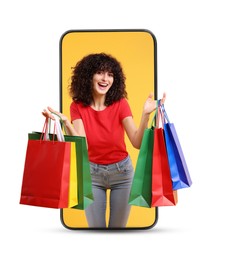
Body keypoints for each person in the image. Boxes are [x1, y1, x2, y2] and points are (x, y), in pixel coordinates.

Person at [43, 53, 166, 228]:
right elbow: (82, 146)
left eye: (110, 74)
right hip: (92, 175)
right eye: (100, 73)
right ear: (88, 76)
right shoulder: (77, 106)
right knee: (96, 231)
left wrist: (146, 114)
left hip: (122, 174)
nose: (105, 79)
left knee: (118, 231)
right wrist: (65, 124)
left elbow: (137, 143)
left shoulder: (120, 104)